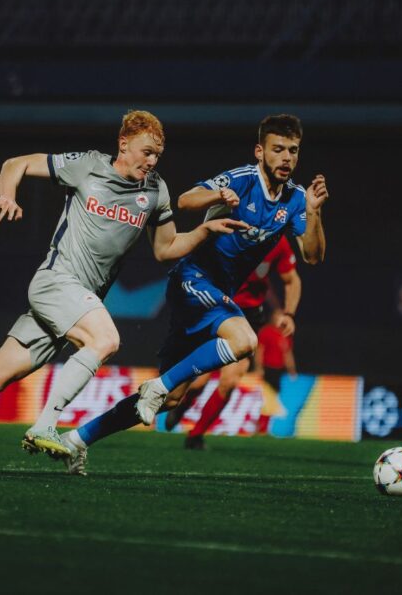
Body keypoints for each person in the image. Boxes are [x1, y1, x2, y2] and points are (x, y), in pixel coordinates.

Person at [0, 110, 247, 471]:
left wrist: (203, 231)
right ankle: (45, 426)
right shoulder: (88, 165)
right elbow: (17, 164)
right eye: (146, 152)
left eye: (157, 155)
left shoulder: (156, 190)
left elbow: (165, 249)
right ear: (124, 143)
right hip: (56, 281)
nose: (152, 161)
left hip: (76, 300)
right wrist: (9, 193)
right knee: (106, 339)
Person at [54, 113, 328, 473]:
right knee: (245, 340)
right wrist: (218, 194)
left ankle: (77, 440)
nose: (287, 158)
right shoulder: (243, 180)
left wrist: (313, 212)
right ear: (260, 151)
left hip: (214, 296)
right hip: (193, 279)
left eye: (293, 151)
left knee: (171, 399)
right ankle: (160, 386)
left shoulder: (294, 199)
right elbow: (185, 200)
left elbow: (312, 255)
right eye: (278, 149)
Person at [164, 236, 300, 449]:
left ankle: (196, 435)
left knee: (230, 381)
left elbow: (291, 279)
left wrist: (289, 313)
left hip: (249, 315)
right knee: (199, 381)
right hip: (219, 310)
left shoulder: (278, 242)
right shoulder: (232, 229)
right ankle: (181, 407)